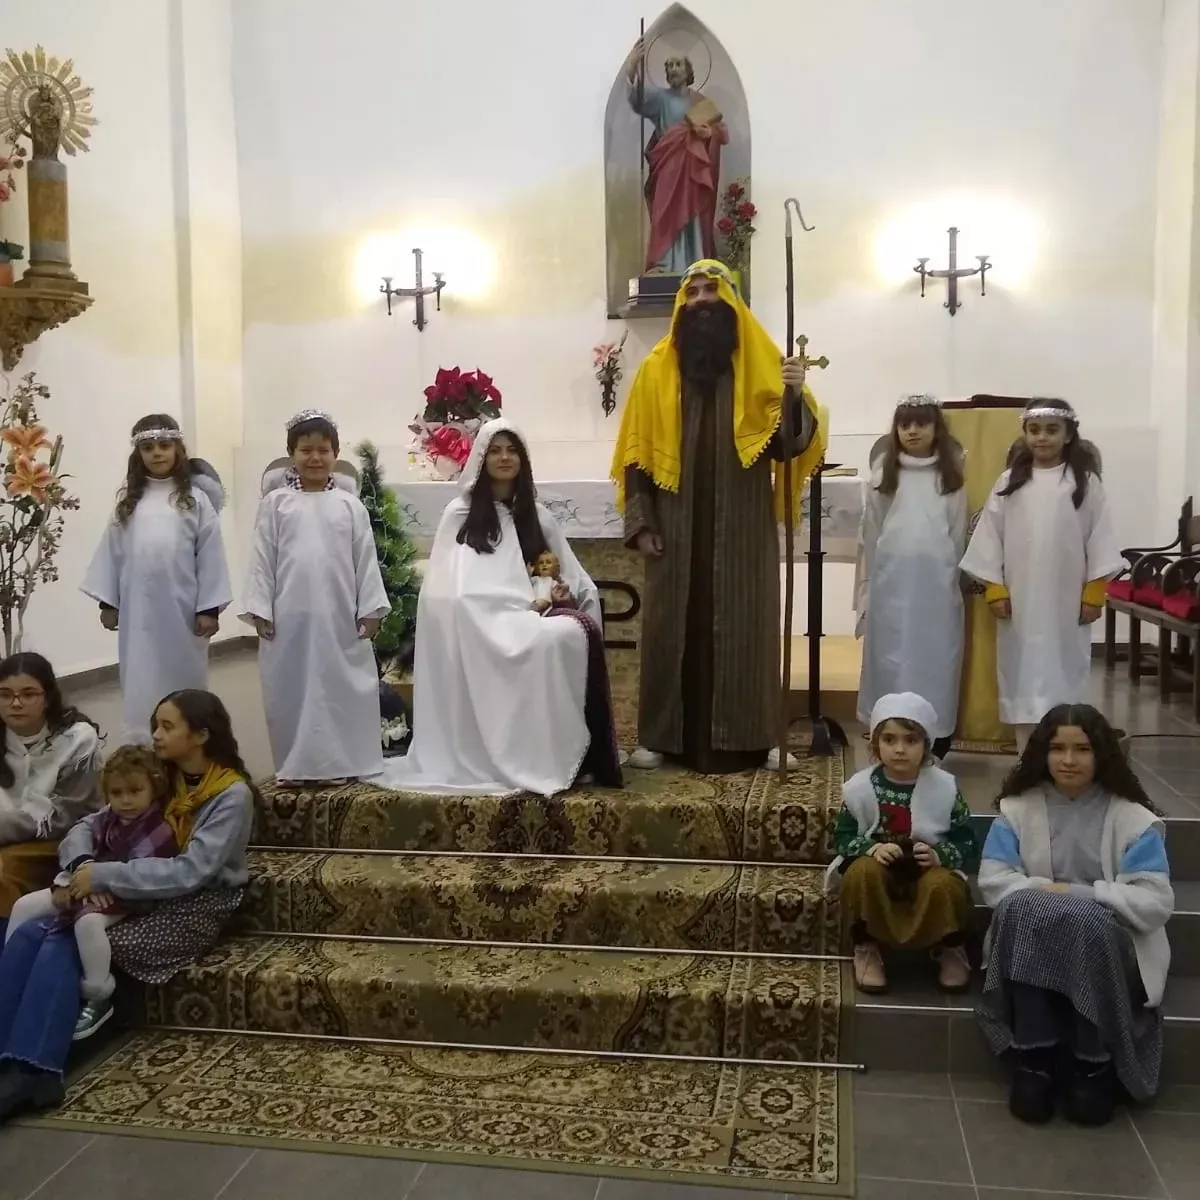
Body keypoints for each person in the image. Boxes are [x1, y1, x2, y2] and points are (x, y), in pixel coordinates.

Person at [612, 259, 827, 773]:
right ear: (681, 304)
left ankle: (759, 737)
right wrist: (641, 522)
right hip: (675, 524)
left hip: (743, 526)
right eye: (694, 292)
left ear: (731, 301)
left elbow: (787, 446)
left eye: (712, 290)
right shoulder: (655, 371)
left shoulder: (763, 364)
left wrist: (794, 394)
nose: (702, 300)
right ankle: (661, 738)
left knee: (748, 629)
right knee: (670, 630)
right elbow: (637, 454)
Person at [0, 689, 255, 1121]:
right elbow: (87, 825)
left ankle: (34, 1069)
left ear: (201, 735)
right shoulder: (161, 776)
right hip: (130, 884)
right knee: (28, 931)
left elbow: (192, 872)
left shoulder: (230, 794)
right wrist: (83, 865)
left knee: (63, 938)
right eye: (156, 725)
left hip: (193, 903)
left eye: (167, 727)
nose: (155, 735)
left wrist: (104, 877)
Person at [383, 420, 622, 797]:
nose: (504, 458)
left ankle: (557, 753)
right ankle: (490, 753)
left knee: (566, 634)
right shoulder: (460, 514)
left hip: (533, 615)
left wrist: (561, 593)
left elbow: (570, 576)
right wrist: (488, 612)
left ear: (523, 459)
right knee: (522, 640)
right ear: (481, 458)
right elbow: (448, 588)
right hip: (477, 622)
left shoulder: (537, 516)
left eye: (512, 450)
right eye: (495, 450)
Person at [976, 704, 1171, 1127]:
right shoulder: (1016, 810)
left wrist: (1078, 895)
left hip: (1110, 944)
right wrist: (1048, 898)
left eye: (1082, 749)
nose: (1068, 760)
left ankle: (1091, 1061)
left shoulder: (1134, 820)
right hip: (1034, 934)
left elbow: (1155, 900)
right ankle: (1035, 1057)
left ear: (1101, 754)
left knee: (1082, 920)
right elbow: (993, 881)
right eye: (1057, 748)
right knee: (1023, 908)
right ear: (1041, 753)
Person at [959, 398, 1122, 754]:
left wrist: (1094, 592)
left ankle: (1063, 757)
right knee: (1023, 679)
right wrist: (995, 589)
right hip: (1021, 605)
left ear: (1068, 435)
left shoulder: (1085, 483)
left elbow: (1101, 538)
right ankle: (1027, 761)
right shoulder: (1009, 482)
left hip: (1067, 605)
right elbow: (989, 539)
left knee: (1063, 679)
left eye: (1051, 430)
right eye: (1034, 430)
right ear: (1025, 434)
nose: (1042, 438)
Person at [241, 410, 391, 786]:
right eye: (306, 450)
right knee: (292, 688)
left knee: (337, 687)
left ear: (335, 455)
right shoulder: (275, 504)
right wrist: (260, 608)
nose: (315, 458)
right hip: (289, 616)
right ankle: (296, 764)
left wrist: (371, 609)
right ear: (291, 454)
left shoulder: (350, 506)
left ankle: (337, 763)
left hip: (339, 615)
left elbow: (365, 560)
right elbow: (262, 559)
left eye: (323, 450)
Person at [4, 744, 176, 1040]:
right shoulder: (106, 818)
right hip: (87, 884)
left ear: (154, 788)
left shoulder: (156, 828)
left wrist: (98, 883)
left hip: (129, 895)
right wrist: (68, 881)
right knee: (24, 905)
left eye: (135, 791)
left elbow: (140, 873)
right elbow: (81, 849)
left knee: (89, 924)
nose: (126, 800)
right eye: (117, 793)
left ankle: (98, 994)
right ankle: (9, 972)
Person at [81, 414, 232, 741]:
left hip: (182, 614)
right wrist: (109, 603)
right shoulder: (128, 503)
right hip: (138, 616)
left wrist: (209, 609)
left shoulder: (195, 501)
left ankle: (188, 740)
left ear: (178, 449)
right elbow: (112, 553)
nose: (157, 453)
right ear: (139, 454)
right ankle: (143, 742)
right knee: (141, 677)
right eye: (148, 447)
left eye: (164, 445)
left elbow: (210, 556)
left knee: (183, 678)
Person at [828, 692, 978, 994]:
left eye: (910, 740)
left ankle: (949, 947)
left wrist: (938, 855)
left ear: (926, 744)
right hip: (878, 868)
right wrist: (872, 848)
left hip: (927, 870)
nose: (899, 749)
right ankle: (867, 946)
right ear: (875, 744)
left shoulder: (945, 789)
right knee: (861, 873)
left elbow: (968, 843)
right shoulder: (859, 788)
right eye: (889, 740)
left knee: (944, 886)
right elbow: (842, 837)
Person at [855, 395, 968, 760]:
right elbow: (872, 533)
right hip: (892, 584)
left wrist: (949, 576)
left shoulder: (950, 478)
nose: (913, 431)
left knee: (935, 659)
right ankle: (888, 736)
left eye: (921, 424)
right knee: (891, 659)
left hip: (936, 587)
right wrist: (875, 584)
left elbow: (957, 533)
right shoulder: (883, 476)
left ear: (937, 429)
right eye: (905, 424)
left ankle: (934, 739)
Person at [0, 653, 103, 922]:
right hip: (8, 835)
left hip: (62, 840)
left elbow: (65, 815)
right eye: (5, 694)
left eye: (28, 694)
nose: (15, 703)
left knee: (4, 871)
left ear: (47, 698)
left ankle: (11, 942)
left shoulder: (77, 738)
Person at [624, 36, 729, 275]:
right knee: (665, 213)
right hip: (668, 166)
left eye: (678, 64)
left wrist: (708, 132)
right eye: (669, 65)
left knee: (692, 213)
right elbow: (637, 100)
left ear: (688, 70)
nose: (673, 69)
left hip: (693, 168)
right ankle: (663, 263)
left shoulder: (700, 102)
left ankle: (695, 259)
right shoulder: (660, 98)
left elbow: (721, 132)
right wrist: (632, 68)